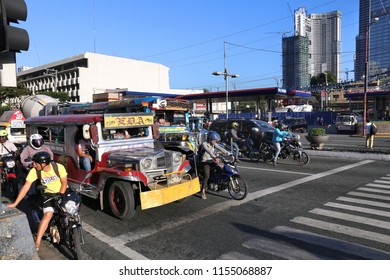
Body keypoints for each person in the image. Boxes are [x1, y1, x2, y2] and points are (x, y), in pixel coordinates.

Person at [7, 151, 68, 251]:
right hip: (48, 194)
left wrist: (60, 195)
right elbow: (26, 187)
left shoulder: (58, 167)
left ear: (43, 164)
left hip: (62, 192)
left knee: (72, 210)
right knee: (48, 214)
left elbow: (64, 183)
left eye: (35, 163)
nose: (33, 164)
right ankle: (38, 241)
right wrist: (15, 203)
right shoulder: (35, 171)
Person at [199, 131, 230, 200]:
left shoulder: (214, 144)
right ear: (210, 139)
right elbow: (209, 151)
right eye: (214, 140)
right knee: (207, 175)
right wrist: (215, 157)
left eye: (215, 140)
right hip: (205, 161)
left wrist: (228, 153)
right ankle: (203, 191)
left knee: (221, 167)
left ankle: (217, 183)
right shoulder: (204, 144)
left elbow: (221, 148)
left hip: (211, 160)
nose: (215, 142)